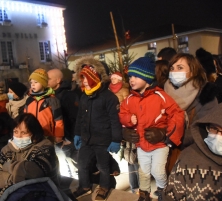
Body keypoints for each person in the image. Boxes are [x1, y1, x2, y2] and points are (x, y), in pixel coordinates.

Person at [119, 57, 185, 201]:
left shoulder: (160, 96)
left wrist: (167, 135)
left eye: (136, 76)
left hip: (160, 144)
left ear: (147, 77)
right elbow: (122, 114)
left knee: (157, 171)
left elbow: (176, 114)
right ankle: (144, 194)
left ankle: (163, 191)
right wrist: (128, 121)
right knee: (143, 171)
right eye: (130, 76)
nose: (131, 80)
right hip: (142, 143)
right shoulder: (130, 99)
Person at [72, 56, 122, 201]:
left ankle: (104, 187)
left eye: (87, 78)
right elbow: (80, 118)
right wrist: (77, 134)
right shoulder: (84, 97)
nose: (85, 81)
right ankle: (84, 186)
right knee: (82, 164)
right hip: (87, 138)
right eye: (82, 78)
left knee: (103, 166)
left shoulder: (109, 98)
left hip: (102, 139)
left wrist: (116, 140)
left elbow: (115, 120)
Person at [164, 53, 218, 177]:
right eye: (172, 68)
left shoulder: (206, 95)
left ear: (193, 71)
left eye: (180, 67)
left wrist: (170, 136)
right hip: (168, 158)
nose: (174, 71)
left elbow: (204, 130)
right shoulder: (162, 94)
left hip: (195, 160)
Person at [0, 113, 59, 199]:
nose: (18, 136)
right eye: (16, 132)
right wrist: (17, 177)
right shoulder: (7, 149)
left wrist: (8, 166)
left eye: (24, 133)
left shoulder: (45, 146)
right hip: (16, 193)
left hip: (43, 193)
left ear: (34, 133)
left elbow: (34, 171)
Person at [162, 103, 222, 200]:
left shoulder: (207, 101)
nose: (218, 136)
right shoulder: (188, 158)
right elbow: (171, 196)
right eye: (214, 128)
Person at [47, 68, 79, 178]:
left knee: (75, 166)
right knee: (65, 167)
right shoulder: (50, 96)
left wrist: (69, 139)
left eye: (49, 79)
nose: (46, 81)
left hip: (68, 139)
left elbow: (74, 118)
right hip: (58, 139)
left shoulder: (67, 96)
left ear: (58, 80)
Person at [24, 68, 64, 144]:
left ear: (43, 83)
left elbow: (58, 120)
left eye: (36, 82)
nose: (32, 84)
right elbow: (25, 118)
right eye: (31, 82)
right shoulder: (29, 100)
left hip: (47, 135)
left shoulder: (52, 100)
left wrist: (59, 136)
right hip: (31, 135)